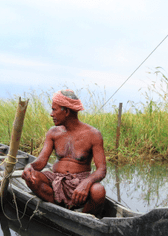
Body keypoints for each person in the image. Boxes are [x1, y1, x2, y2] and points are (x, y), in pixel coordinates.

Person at [21, 89, 107, 217]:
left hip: (79, 182)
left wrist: (86, 183)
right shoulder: (53, 132)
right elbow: (41, 162)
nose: (51, 114)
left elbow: (101, 169)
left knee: (98, 191)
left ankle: (85, 217)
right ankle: (57, 210)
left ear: (66, 111)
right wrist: (30, 167)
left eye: (54, 110)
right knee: (32, 179)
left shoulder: (93, 134)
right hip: (55, 179)